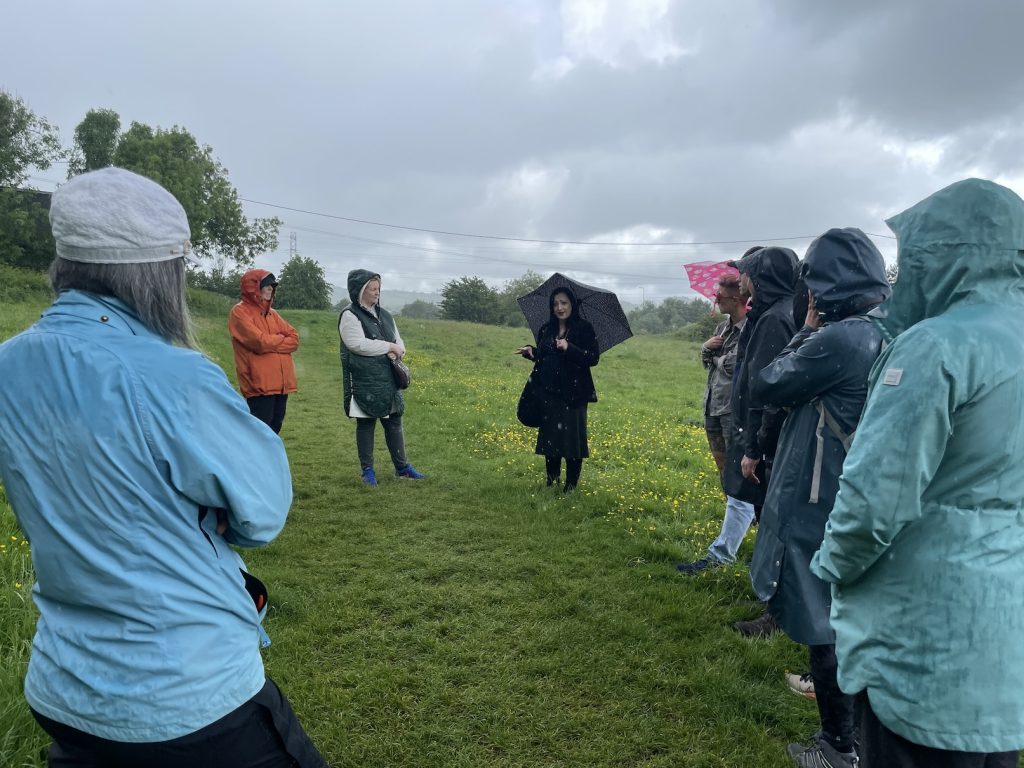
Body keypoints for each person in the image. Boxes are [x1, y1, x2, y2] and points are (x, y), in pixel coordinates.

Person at [0, 168, 326, 767]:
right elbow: (262, 510)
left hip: (64, 685)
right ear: (159, 275)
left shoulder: (8, 364)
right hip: (187, 694)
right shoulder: (171, 376)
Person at [811, 178, 1024, 768]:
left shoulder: (935, 346)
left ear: (950, 254)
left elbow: (875, 498)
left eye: (918, 255)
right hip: (1004, 630)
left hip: (924, 630)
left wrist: (833, 566)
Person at [748, 229, 890, 768]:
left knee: (823, 620)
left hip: (822, 491)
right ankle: (856, 739)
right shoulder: (888, 330)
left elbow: (767, 384)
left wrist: (803, 331)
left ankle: (838, 747)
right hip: (860, 488)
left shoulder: (842, 338)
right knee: (849, 617)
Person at [722, 246, 799, 638]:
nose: (742, 281)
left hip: (771, 443)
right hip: (766, 439)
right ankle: (774, 600)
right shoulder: (769, 314)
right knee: (770, 521)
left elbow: (769, 391)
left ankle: (779, 613)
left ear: (763, 277)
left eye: (748, 273)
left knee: (776, 525)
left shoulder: (775, 320)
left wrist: (756, 448)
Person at [676, 273, 756, 574]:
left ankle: (724, 552)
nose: (715, 300)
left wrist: (716, 355)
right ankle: (744, 524)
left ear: (736, 298)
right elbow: (708, 363)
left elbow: (737, 364)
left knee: (739, 481)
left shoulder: (751, 327)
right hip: (713, 406)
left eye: (719, 296)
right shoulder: (723, 327)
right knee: (726, 477)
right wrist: (707, 349)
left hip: (733, 413)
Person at [339, 268, 425, 486]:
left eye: (378, 288)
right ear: (360, 290)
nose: (377, 292)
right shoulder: (350, 315)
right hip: (365, 379)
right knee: (366, 423)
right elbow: (357, 344)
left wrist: (399, 349)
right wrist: (388, 346)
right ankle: (367, 471)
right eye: (372, 288)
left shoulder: (385, 314)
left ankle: (402, 467)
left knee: (394, 422)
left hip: (388, 379)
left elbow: (398, 341)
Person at [517, 286, 600, 492]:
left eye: (563, 303)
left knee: (572, 442)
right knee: (550, 440)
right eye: (555, 303)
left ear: (572, 304)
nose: (559, 307)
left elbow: (592, 358)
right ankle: (551, 481)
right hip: (548, 392)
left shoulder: (584, 328)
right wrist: (532, 351)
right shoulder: (547, 329)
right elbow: (545, 357)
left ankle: (570, 487)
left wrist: (569, 348)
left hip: (574, 394)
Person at [228, 268, 299, 434]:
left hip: (281, 385)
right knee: (258, 434)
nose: (271, 289)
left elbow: (294, 339)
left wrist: (271, 341)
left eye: (273, 286)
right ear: (253, 287)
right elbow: (259, 342)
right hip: (259, 384)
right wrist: (280, 339)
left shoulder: (272, 314)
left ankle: (271, 461)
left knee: (274, 430)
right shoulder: (239, 312)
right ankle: (251, 461)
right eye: (267, 285)